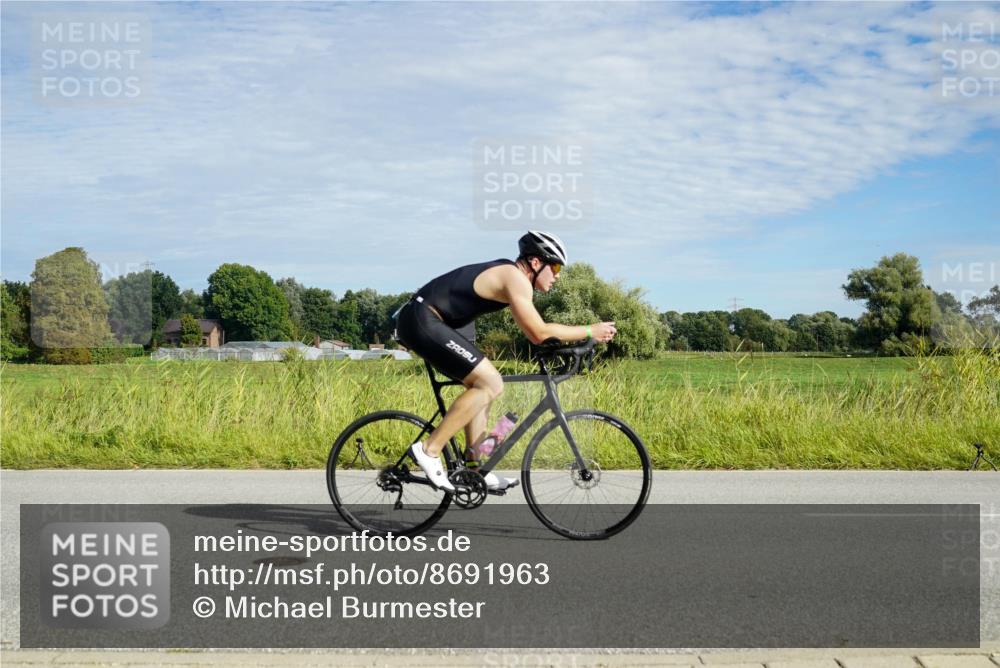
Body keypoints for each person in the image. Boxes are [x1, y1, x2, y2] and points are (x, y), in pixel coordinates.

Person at [394, 230, 617, 493]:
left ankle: (474, 470)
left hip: (434, 321)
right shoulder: (515, 278)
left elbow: (539, 335)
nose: (557, 275)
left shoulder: (513, 277)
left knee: (484, 386)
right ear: (536, 263)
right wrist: (590, 331)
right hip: (423, 319)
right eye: (555, 266)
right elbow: (539, 333)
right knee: (490, 382)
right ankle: (429, 450)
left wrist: (569, 344)